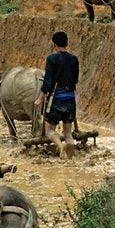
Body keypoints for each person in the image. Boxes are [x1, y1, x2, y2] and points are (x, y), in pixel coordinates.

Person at [34, 31, 79, 159]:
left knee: (49, 130)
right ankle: (69, 149)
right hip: (70, 98)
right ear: (67, 43)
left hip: (57, 99)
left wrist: (40, 98)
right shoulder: (74, 59)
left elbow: (48, 81)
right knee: (67, 131)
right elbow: (75, 79)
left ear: (54, 45)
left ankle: (61, 147)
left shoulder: (52, 58)